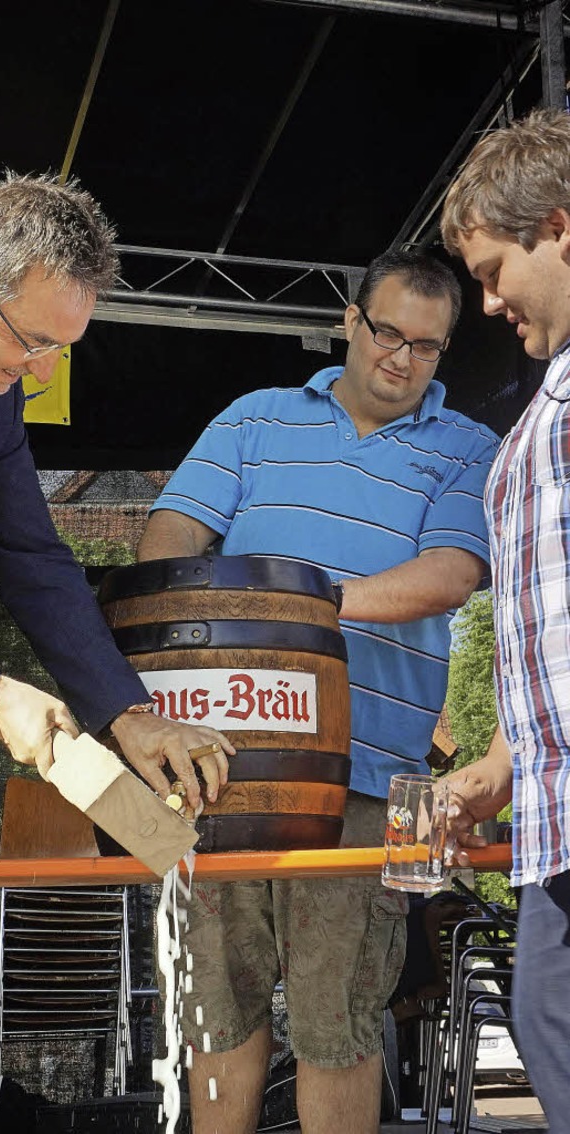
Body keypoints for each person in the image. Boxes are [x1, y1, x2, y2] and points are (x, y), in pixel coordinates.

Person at [137, 249, 499, 1134]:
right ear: (349, 320)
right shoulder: (255, 418)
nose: (402, 359)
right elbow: (172, 532)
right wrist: (196, 596)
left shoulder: (470, 446)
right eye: (386, 333)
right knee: (217, 1013)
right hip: (217, 771)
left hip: (371, 784)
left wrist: (292, 611)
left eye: (428, 346)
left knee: (340, 1023)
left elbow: (449, 575)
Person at [0, 171, 232, 804]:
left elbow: (34, 560)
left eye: (61, 350)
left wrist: (128, 713)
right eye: (34, 341)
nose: (42, 373)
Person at [440, 106, 570, 1134]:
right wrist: (497, 764)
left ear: (559, 227)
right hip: (554, 819)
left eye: (492, 271)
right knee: (543, 1019)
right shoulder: (545, 404)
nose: (485, 303)